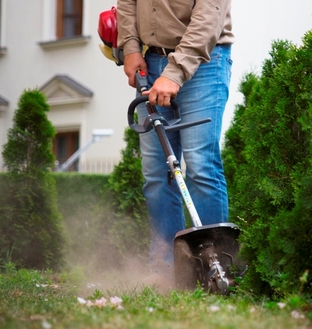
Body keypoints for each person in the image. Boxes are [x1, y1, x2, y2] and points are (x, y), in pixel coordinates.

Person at [117, 0, 234, 282]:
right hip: (151, 63)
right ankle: (167, 273)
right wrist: (131, 48)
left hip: (204, 61)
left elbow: (209, 14)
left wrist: (175, 72)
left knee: (200, 164)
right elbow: (127, 3)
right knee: (157, 174)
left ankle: (213, 271)